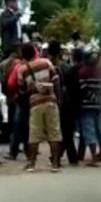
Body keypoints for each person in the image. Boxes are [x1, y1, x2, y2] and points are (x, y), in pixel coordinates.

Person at [17, 43, 62, 172]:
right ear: (34, 51)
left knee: (34, 134)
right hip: (51, 101)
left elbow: (21, 90)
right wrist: (57, 98)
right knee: (54, 132)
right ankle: (55, 163)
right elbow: (56, 80)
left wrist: (31, 88)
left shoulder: (22, 69)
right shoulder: (46, 62)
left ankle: (31, 163)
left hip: (35, 103)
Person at [77, 50, 101, 167]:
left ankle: (94, 158)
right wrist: (100, 100)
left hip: (87, 106)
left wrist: (94, 99)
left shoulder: (82, 72)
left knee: (90, 131)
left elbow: (84, 89)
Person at [48, 40, 78, 166]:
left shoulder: (49, 66)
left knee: (57, 132)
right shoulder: (66, 67)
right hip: (67, 102)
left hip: (54, 101)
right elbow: (74, 86)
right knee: (67, 131)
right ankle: (70, 156)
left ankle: (58, 156)